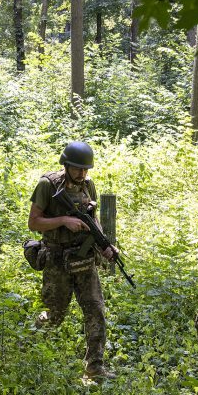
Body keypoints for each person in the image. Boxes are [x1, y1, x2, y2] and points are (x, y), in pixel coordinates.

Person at [28, 141, 117, 381]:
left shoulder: (88, 186)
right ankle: (31, 354)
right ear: (66, 165)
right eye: (77, 169)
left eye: (86, 169)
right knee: (55, 315)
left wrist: (105, 244)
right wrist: (63, 221)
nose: (82, 174)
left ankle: (95, 367)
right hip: (57, 259)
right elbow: (33, 222)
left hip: (85, 258)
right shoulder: (48, 185)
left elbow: (93, 220)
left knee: (96, 311)